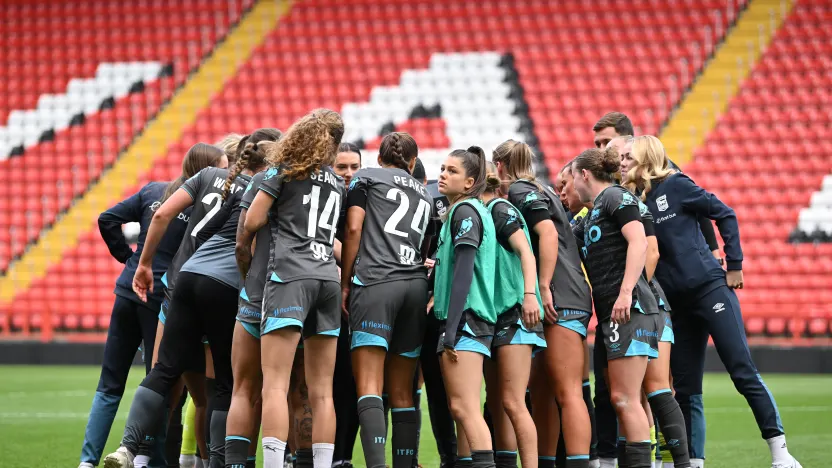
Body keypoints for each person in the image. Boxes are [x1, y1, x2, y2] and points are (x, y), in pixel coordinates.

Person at [626, 136, 802, 468]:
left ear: (646, 159)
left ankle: (781, 453)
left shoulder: (676, 185)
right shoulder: (635, 203)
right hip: (677, 306)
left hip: (710, 290)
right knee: (687, 388)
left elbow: (724, 213)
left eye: (628, 157)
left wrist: (734, 264)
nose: (622, 163)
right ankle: (693, 462)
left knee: (741, 371)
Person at [101, 138, 260, 468]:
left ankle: (129, 448)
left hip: (181, 282)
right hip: (225, 290)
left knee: (163, 371)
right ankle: (216, 462)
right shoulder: (262, 188)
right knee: (221, 386)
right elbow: (247, 246)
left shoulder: (206, 177)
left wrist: (142, 265)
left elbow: (161, 216)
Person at [78, 146, 225, 468]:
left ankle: (87, 462)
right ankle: (147, 458)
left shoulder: (153, 191)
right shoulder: (206, 205)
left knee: (109, 385)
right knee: (162, 382)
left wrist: (127, 259)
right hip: (161, 299)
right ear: (209, 170)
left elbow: (107, 218)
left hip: (127, 290)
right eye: (221, 168)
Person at [239, 109, 345, 468]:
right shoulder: (336, 181)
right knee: (322, 391)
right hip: (328, 279)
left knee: (275, 385)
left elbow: (252, 221)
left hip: (290, 277)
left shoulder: (282, 170)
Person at [493, 140, 594, 468]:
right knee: (541, 390)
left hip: (560, 295)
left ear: (500, 167)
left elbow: (548, 234)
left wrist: (542, 287)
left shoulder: (521, 190)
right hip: (568, 291)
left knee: (566, 392)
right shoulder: (544, 190)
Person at [339, 132, 433, 468]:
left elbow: (353, 230)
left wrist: (346, 282)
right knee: (404, 391)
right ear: (412, 162)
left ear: (379, 158)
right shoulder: (424, 192)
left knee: (369, 385)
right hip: (415, 288)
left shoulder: (367, 177)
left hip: (377, 283)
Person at [571, 146, 661, 468]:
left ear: (584, 174)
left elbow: (639, 242)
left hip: (630, 308)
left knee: (626, 399)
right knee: (622, 398)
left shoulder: (613, 197)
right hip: (615, 312)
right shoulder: (594, 210)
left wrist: (625, 294)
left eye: (571, 178)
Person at [611, 136, 691, 468]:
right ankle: (663, 463)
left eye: (625, 156)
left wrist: (633, 290)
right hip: (650, 303)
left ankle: (675, 463)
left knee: (650, 389)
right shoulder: (629, 197)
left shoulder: (634, 200)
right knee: (640, 393)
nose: (621, 162)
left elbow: (652, 250)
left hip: (647, 304)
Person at [433, 146, 497, 468]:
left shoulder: (464, 212)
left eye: (452, 171)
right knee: (462, 409)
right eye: (443, 168)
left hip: (467, 321)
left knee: (465, 408)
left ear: (470, 182)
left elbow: (463, 274)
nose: (443, 174)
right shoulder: (463, 211)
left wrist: (451, 328)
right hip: (469, 320)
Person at [480, 160, 544, 468]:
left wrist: (530, 295)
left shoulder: (500, 211)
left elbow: (526, 252)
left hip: (516, 313)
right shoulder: (481, 214)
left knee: (513, 401)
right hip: (495, 315)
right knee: (497, 402)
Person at [331, 142, 362, 468]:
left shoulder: (363, 203)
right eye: (342, 167)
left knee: (351, 385)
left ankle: (343, 457)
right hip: (323, 303)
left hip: (357, 304)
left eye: (354, 166)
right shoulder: (324, 201)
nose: (349, 173)